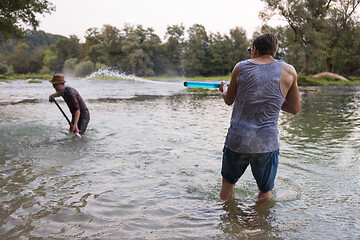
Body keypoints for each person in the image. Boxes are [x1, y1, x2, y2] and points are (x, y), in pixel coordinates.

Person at [219, 33, 300, 201]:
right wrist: (274, 99)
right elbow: (294, 108)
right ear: (274, 51)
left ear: (255, 50)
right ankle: (259, 225)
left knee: (228, 185)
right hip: (266, 142)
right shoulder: (289, 71)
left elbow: (229, 100)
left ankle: (228, 224)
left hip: (238, 139)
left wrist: (224, 89)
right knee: (265, 191)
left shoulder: (240, 67)